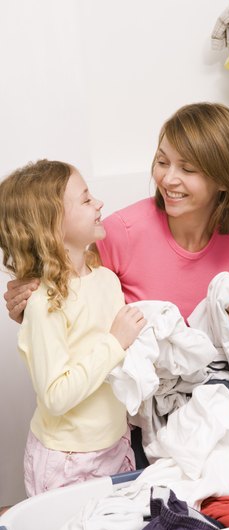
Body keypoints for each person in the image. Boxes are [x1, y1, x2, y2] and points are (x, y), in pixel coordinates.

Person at [4, 102, 229, 463]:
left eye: (187, 169)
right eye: (162, 161)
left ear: (223, 179)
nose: (168, 179)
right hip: (135, 396)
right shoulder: (121, 233)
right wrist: (29, 298)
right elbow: (70, 296)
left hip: (199, 381)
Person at [0, 159, 146, 495]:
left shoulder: (106, 280)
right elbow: (55, 396)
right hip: (69, 461)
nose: (99, 203)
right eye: (85, 199)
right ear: (53, 225)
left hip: (115, 444)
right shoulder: (43, 303)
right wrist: (115, 343)